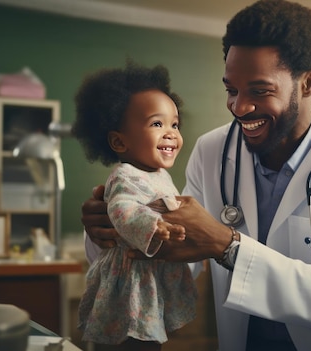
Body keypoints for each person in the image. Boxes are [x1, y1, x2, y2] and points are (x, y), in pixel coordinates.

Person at [81, 0, 311, 350]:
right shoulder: (212, 151)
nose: (239, 107)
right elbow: (180, 255)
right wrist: (114, 233)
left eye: (259, 91)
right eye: (231, 90)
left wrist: (227, 246)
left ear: (308, 83)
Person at [72, 60, 197, 351]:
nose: (171, 133)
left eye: (174, 124)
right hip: (129, 287)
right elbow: (123, 210)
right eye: (157, 123)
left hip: (150, 280)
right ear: (119, 141)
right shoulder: (124, 175)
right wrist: (155, 226)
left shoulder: (160, 175)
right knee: (128, 341)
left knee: (149, 341)